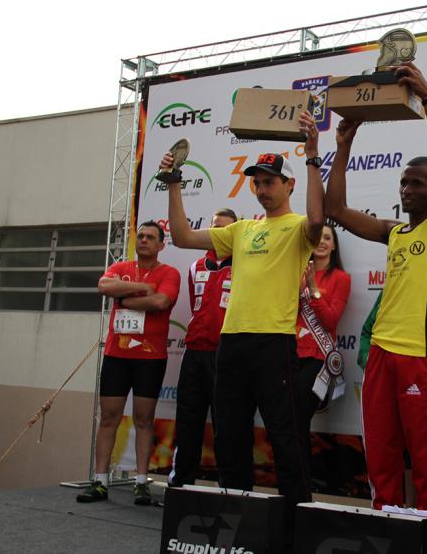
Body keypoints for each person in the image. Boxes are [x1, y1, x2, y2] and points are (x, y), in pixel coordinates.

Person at [160, 111, 324, 545]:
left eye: (270, 181)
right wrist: (174, 183)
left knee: (284, 437)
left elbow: (318, 220)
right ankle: (238, 521)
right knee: (229, 437)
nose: (262, 188)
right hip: (230, 345)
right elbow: (181, 237)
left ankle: (296, 526)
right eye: (257, 182)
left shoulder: (299, 228)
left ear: (289, 185)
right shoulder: (241, 229)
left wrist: (312, 156)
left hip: (274, 344)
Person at [325, 62, 427, 554]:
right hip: (382, 355)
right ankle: (386, 540)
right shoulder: (395, 232)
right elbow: (336, 211)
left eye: (417, 184)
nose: (407, 190)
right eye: (404, 183)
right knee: (381, 461)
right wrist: (344, 145)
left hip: (423, 357)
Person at [77, 221, 180, 505]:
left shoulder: (169, 273)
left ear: (161, 245)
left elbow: (160, 302)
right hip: (117, 356)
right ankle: (100, 481)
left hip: (150, 358)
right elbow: (103, 286)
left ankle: (141, 483)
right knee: (109, 418)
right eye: (141, 236)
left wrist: (124, 299)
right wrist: (141, 287)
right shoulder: (121, 267)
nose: (144, 240)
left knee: (144, 420)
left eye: (151, 237)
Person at [167, 208, 237, 488]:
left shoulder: (245, 265)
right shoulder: (196, 266)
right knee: (188, 421)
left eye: (225, 228)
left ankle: (229, 489)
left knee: (227, 425)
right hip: (195, 353)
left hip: (227, 355)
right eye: (214, 227)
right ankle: (181, 484)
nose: (218, 233)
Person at [295, 223, 351, 470]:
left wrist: (314, 290)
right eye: (318, 237)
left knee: (299, 417)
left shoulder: (341, 278)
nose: (322, 242)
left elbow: (330, 320)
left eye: (328, 238)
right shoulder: (296, 273)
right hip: (289, 352)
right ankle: (292, 477)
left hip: (317, 357)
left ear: (334, 245)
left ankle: (301, 479)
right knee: (287, 419)